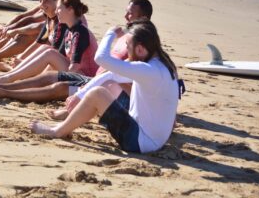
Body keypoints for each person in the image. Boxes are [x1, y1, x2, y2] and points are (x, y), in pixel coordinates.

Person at [30, 21, 180, 154]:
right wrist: (80, 94)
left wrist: (111, 33)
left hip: (139, 143)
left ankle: (57, 131)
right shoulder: (162, 65)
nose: (127, 51)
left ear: (140, 49)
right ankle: (67, 125)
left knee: (97, 94)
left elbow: (100, 58)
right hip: (154, 141)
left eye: (128, 46)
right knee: (106, 87)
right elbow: (112, 75)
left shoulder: (147, 70)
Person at [0, 0, 153, 103]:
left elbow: (138, 75)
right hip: (92, 80)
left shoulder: (142, 44)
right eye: (126, 12)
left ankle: (4, 91)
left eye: (130, 14)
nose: (125, 16)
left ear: (143, 17)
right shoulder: (126, 35)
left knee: (60, 87)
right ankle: (3, 83)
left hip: (103, 87)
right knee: (49, 75)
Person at [0, 0, 96, 87]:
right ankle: (11, 75)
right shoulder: (70, 30)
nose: (56, 12)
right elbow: (60, 57)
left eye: (59, 9)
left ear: (70, 10)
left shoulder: (80, 32)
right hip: (76, 72)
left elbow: (73, 68)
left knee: (50, 53)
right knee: (46, 49)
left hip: (86, 79)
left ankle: (9, 77)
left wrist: (49, 80)